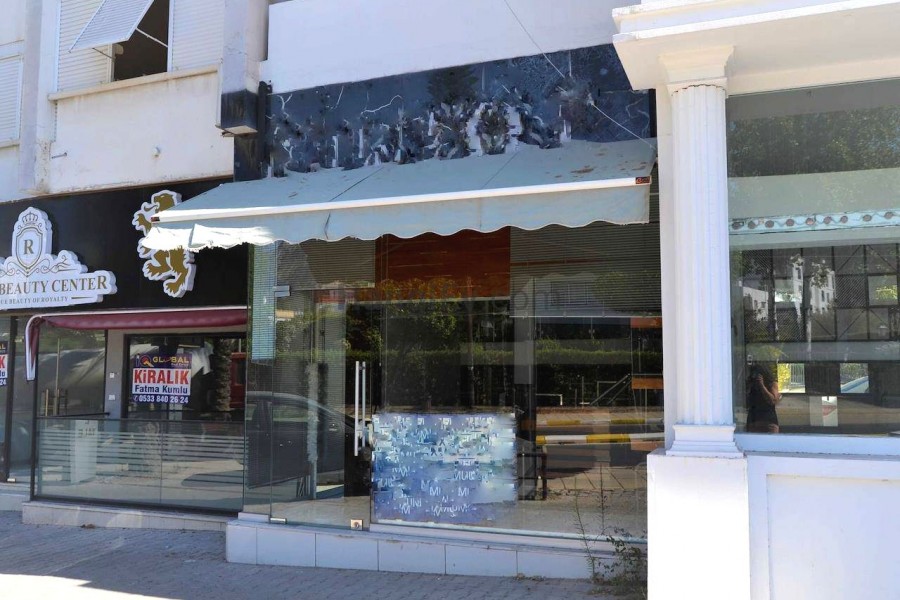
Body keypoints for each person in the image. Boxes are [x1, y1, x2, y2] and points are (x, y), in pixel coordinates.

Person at [746, 363, 781, 433]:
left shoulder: (772, 384)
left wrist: (762, 386)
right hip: (754, 419)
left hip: (768, 419)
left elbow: (772, 400)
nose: (754, 376)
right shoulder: (752, 385)